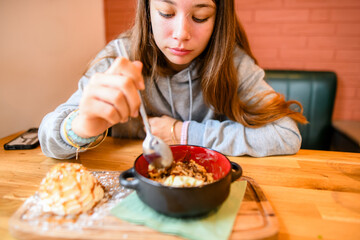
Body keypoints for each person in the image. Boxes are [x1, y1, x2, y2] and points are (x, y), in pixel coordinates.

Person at [39, 0, 307, 160]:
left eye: (200, 16)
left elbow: (285, 135)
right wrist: (82, 125)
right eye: (167, 13)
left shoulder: (233, 64)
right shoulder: (119, 58)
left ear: (219, 18)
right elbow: (48, 140)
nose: (181, 34)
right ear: (147, 10)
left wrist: (182, 133)